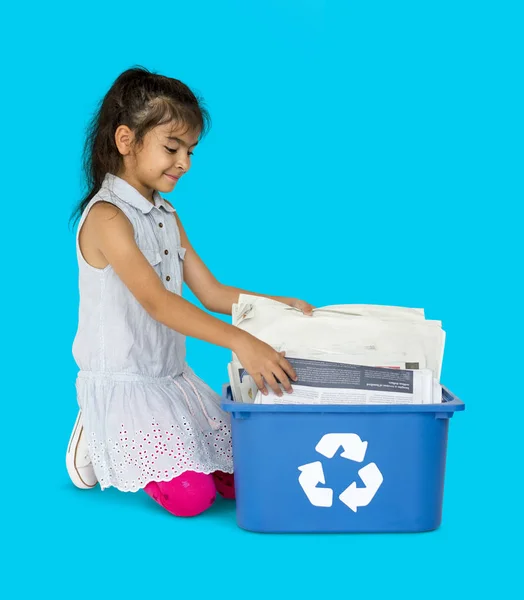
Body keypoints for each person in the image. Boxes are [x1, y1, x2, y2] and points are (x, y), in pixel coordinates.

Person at [66, 66, 315, 517]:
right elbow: (159, 304)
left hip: (171, 379)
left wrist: (278, 306)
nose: (185, 162)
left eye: (190, 150)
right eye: (172, 147)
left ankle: (139, 437)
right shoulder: (107, 218)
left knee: (246, 477)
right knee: (191, 499)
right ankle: (96, 426)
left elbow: (212, 292)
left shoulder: (166, 214)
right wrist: (243, 341)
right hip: (124, 382)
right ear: (126, 141)